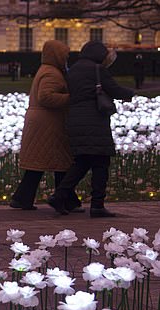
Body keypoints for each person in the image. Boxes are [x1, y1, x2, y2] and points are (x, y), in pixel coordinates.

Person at [48, 41, 134, 218]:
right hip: (94, 121)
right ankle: (97, 205)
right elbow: (113, 89)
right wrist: (130, 93)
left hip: (75, 119)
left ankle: (59, 195)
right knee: (101, 163)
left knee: (82, 161)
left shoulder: (73, 70)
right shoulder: (97, 70)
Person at [10, 40, 82, 212]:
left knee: (40, 164)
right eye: (64, 54)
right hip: (48, 124)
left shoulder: (47, 70)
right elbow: (46, 97)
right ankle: (65, 200)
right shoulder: (52, 73)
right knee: (60, 163)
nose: (66, 58)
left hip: (43, 123)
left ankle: (23, 198)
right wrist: (71, 98)